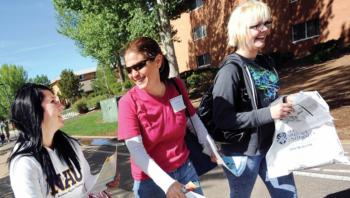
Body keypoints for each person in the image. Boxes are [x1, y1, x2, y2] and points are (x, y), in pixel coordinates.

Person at [212, 1, 297, 198]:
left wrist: (284, 100)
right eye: (256, 26)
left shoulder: (265, 61)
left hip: (274, 144)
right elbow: (224, 119)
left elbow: (267, 99)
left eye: (266, 23)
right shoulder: (229, 71)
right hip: (243, 153)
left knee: (288, 195)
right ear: (241, 30)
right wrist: (269, 113)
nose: (265, 30)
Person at [117, 37, 215, 198]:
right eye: (129, 69)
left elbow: (193, 119)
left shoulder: (176, 86)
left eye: (139, 66)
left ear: (158, 61)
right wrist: (166, 183)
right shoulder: (127, 103)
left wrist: (210, 146)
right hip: (151, 184)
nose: (134, 74)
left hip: (187, 171)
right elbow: (135, 149)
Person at [8, 83, 110, 198]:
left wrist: (104, 182)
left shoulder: (70, 144)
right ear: (33, 112)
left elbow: (87, 181)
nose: (61, 106)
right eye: (53, 101)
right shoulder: (24, 163)